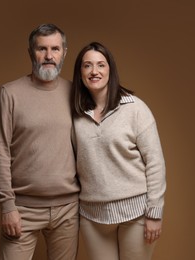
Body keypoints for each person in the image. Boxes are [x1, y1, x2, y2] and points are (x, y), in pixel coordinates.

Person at [0, 24, 80, 260]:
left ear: (64, 52)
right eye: (42, 49)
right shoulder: (10, 94)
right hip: (22, 209)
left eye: (55, 49)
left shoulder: (76, 93)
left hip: (68, 210)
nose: (49, 56)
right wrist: (8, 207)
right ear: (31, 52)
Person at [71, 42, 166, 260]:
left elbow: (155, 163)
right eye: (87, 66)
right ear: (80, 73)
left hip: (136, 214)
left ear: (110, 70)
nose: (94, 71)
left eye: (101, 65)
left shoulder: (135, 109)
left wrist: (154, 214)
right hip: (92, 216)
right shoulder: (75, 113)